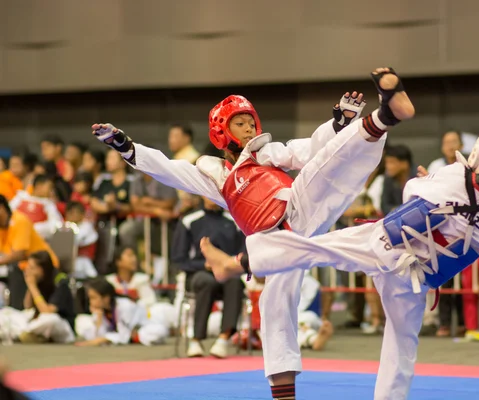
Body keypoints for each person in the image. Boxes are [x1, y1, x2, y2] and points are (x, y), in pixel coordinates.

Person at [92, 67, 415, 400]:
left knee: (327, 169)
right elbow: (170, 171)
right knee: (275, 313)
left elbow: (306, 151)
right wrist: (124, 145)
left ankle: (384, 116)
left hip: (298, 208)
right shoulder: (214, 173)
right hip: (272, 242)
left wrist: (338, 124)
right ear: (221, 130)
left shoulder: (265, 151)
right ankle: (283, 395)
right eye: (240, 123)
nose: (249, 129)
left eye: (251, 123)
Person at [201, 121, 479, 400]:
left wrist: (424, 181)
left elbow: (411, 194)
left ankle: (235, 263)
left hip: (386, 245)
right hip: (418, 278)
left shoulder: (456, 175)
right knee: (402, 344)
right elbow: (477, 235)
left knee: (314, 248)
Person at [171, 196, 245, 358]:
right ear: (202, 194)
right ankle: (196, 339)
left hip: (227, 273)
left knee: (235, 283)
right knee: (207, 282)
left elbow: (242, 254)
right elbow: (178, 258)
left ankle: (223, 338)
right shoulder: (189, 220)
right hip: (198, 273)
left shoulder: (234, 221)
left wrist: (227, 265)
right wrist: (203, 265)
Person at [0, 251, 75, 344]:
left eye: (32, 268)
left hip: (61, 327)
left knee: (50, 320)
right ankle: (30, 335)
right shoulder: (39, 280)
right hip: (37, 322)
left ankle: (21, 334)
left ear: (42, 269)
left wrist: (32, 286)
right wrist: (30, 286)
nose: (27, 270)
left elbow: (47, 312)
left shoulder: (60, 282)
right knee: (6, 312)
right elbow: (27, 307)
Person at [75, 277, 169, 346]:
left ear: (106, 298)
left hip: (143, 328)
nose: (91, 302)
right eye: (90, 298)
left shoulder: (124, 306)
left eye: (94, 298)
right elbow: (97, 337)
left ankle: (137, 339)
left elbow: (124, 334)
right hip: (127, 335)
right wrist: (98, 318)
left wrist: (103, 339)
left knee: (159, 330)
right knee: (81, 320)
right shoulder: (101, 311)